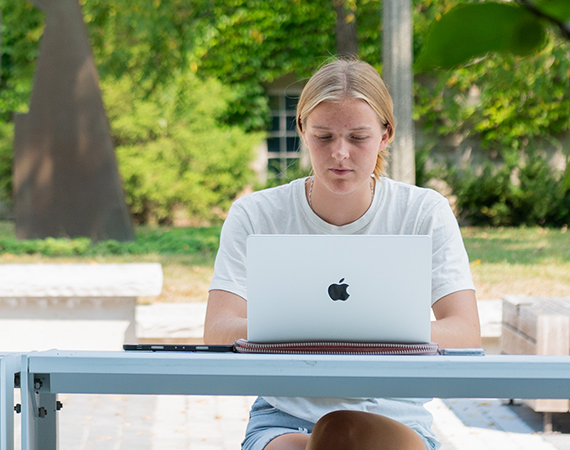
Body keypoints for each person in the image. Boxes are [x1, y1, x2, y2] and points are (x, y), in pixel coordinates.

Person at [202, 57, 481, 450]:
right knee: (335, 434)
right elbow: (216, 331)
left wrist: (346, 330)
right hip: (284, 418)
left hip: (393, 415)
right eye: (324, 136)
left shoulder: (422, 212)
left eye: (358, 137)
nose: (340, 154)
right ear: (302, 129)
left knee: (342, 431)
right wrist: (338, 329)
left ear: (386, 135)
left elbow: (466, 334)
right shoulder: (256, 215)